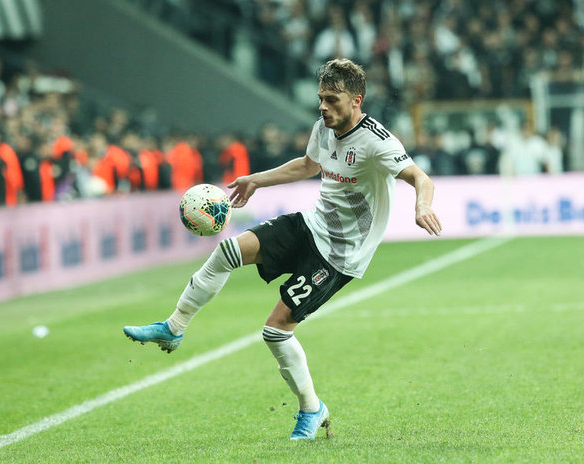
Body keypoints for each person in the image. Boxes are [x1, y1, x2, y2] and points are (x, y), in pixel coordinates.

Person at [123, 58, 442, 441]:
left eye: (332, 99)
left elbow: (419, 177)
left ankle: (311, 408)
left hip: (340, 255)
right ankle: (173, 328)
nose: (323, 107)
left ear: (356, 100)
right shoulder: (324, 128)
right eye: (321, 98)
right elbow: (308, 165)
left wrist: (422, 206)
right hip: (311, 225)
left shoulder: (377, 140)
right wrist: (257, 180)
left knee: (275, 332)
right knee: (227, 252)